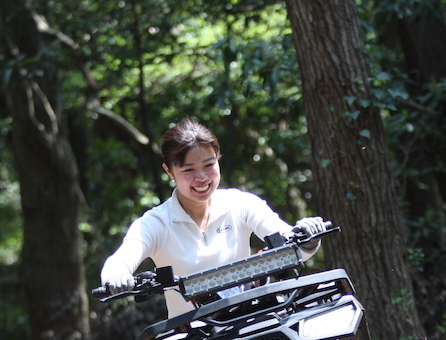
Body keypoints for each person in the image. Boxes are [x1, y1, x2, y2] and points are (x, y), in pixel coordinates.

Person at [101, 118, 328, 317]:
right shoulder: (154, 223)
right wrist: (116, 276)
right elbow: (120, 260)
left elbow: (285, 237)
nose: (201, 177)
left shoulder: (239, 203)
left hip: (251, 321)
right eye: (188, 170)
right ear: (169, 171)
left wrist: (306, 236)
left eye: (209, 165)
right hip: (193, 335)